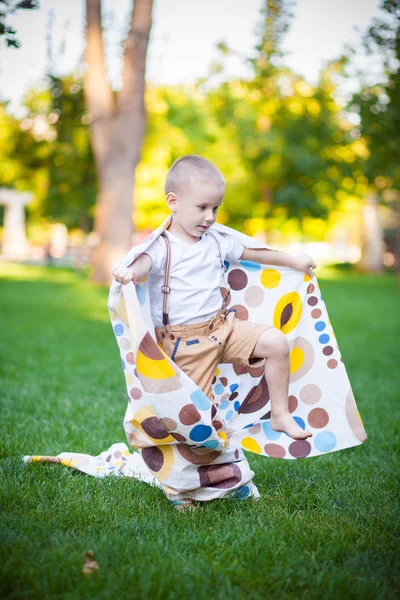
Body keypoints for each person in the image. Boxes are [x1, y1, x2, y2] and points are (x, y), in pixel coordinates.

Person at [112, 154, 317, 509]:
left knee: (275, 342)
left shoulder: (217, 240)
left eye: (216, 208)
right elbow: (144, 261)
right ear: (172, 202)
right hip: (183, 346)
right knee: (193, 424)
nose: (209, 217)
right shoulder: (163, 247)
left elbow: (254, 252)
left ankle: (280, 414)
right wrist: (133, 271)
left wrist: (293, 260)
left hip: (223, 328)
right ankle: (182, 488)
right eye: (202, 207)